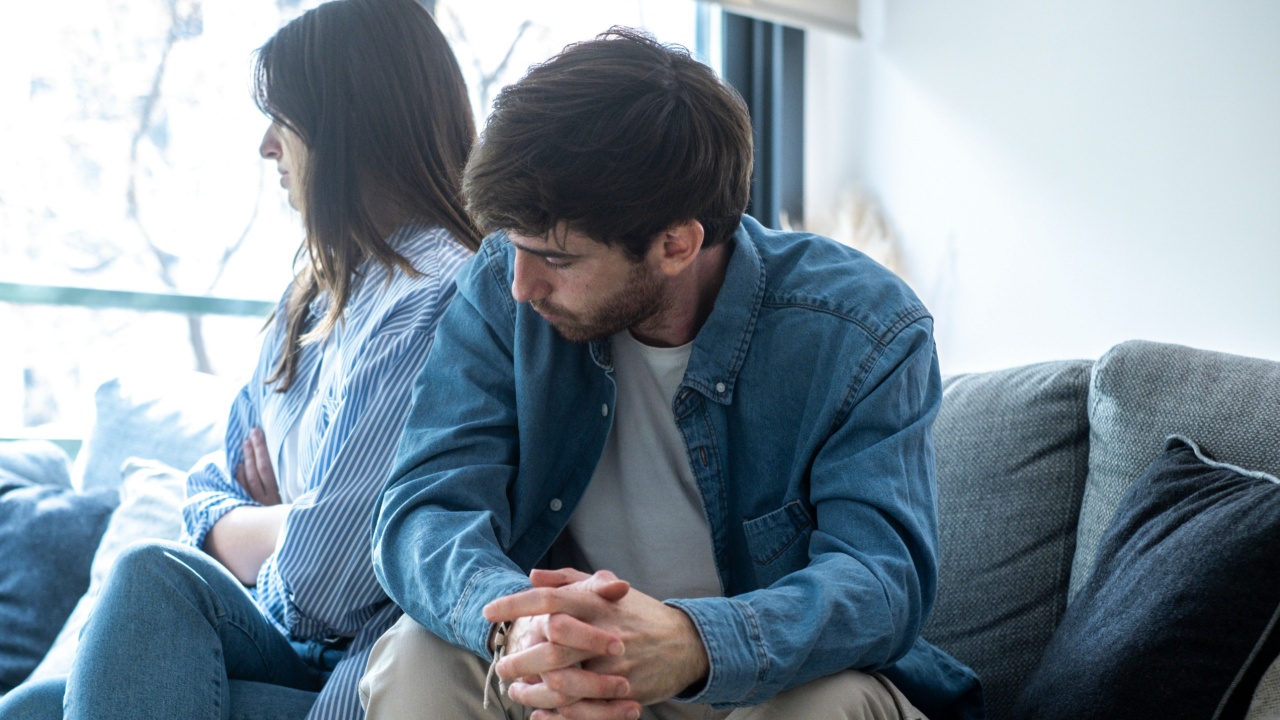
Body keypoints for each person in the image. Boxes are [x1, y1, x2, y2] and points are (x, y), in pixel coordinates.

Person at [362, 27, 983, 720]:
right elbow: (424, 508)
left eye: (558, 259)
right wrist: (521, 624)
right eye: (514, 247)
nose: (521, 285)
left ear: (676, 244)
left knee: (827, 704)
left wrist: (693, 643)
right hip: (573, 674)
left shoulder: (863, 328)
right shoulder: (504, 294)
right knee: (418, 653)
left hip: (761, 686)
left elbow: (881, 581)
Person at [0, 0, 479, 718]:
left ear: (350, 127)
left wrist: (276, 527)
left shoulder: (434, 298)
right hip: (286, 639)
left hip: (355, 669)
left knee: (153, 577)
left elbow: (325, 588)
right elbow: (206, 486)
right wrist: (293, 520)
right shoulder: (312, 295)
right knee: (31, 707)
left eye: (284, 121)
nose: (266, 146)